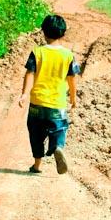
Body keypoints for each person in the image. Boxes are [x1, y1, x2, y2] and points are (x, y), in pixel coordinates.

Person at [18, 15, 80, 174]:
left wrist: (25, 94)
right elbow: (72, 79)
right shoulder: (68, 55)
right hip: (57, 103)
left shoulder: (37, 52)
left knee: (36, 134)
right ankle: (57, 147)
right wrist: (73, 97)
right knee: (59, 129)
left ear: (43, 32)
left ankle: (37, 165)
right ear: (63, 34)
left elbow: (30, 74)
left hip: (37, 102)